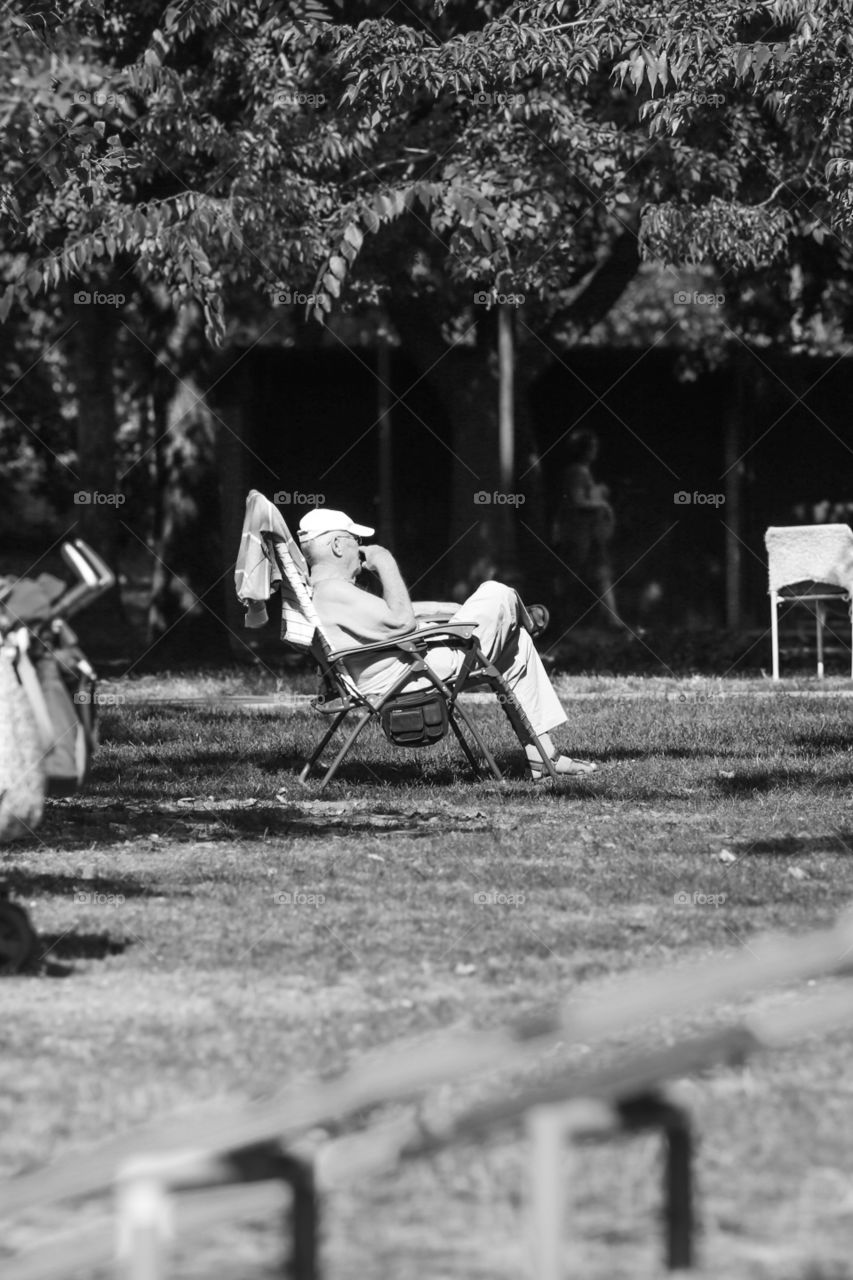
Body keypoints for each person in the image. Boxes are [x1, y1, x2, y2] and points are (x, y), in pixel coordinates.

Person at [296, 508, 598, 779]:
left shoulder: (325, 592)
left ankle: (542, 755)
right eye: (355, 540)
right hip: (412, 673)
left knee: (517, 646)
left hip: (410, 662)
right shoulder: (334, 592)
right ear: (338, 546)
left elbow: (389, 617)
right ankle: (524, 619)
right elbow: (402, 622)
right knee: (496, 591)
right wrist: (385, 561)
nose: (361, 549)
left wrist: (447, 609)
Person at [552, 428, 628, 631]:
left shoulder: (577, 471)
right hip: (577, 536)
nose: (595, 451)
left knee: (600, 574)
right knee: (571, 578)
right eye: (593, 447)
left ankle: (612, 620)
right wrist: (601, 504)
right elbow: (577, 500)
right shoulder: (578, 472)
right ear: (585, 450)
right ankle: (558, 621)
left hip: (585, 535)